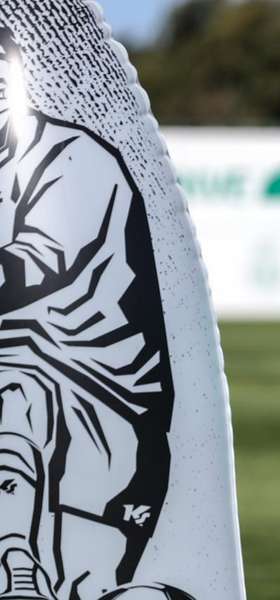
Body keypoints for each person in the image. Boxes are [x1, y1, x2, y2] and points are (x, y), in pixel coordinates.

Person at [0, 26, 179, 600]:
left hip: (98, 416)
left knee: (15, 385)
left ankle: (16, 567)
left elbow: (28, 270)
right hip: (37, 411)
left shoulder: (76, 160)